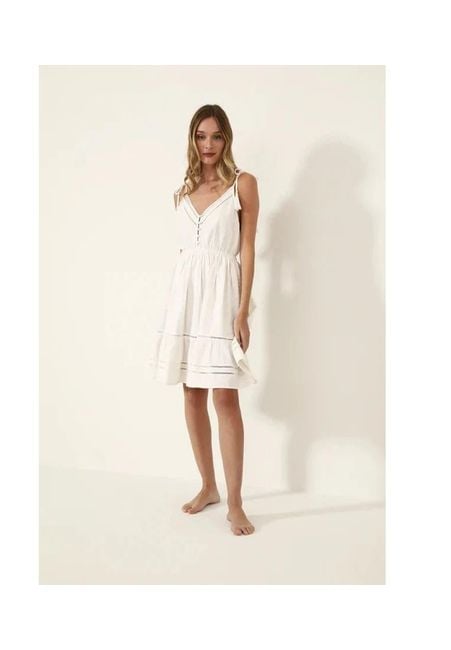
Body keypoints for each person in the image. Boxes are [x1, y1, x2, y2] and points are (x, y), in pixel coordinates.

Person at [149, 104, 259, 535]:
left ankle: (235, 502)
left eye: (215, 136)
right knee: (192, 393)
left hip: (222, 300)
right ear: (192, 140)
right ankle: (208, 486)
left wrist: (242, 310)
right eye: (200, 136)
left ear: (226, 138)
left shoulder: (242, 184)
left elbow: (246, 248)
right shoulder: (183, 190)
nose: (208, 144)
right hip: (187, 299)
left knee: (225, 398)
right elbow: (186, 256)